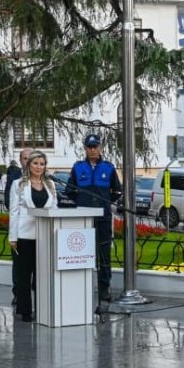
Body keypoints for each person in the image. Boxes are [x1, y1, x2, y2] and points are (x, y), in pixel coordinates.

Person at [66, 134, 122, 301]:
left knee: (103, 254)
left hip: (103, 218)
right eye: (89, 147)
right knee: (81, 253)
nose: (92, 150)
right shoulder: (78, 167)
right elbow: (69, 190)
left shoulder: (109, 168)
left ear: (100, 147)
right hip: (82, 218)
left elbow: (117, 191)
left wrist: (104, 203)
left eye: (95, 146)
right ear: (85, 148)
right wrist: (81, 203)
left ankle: (104, 290)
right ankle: (81, 288)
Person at [8, 150, 57, 322]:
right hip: (23, 235)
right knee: (23, 276)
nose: (38, 167)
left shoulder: (51, 185)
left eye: (42, 164)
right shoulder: (18, 184)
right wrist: (12, 237)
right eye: (35, 163)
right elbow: (14, 211)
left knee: (41, 275)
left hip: (44, 236)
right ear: (29, 165)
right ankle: (25, 311)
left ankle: (42, 309)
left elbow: (54, 210)